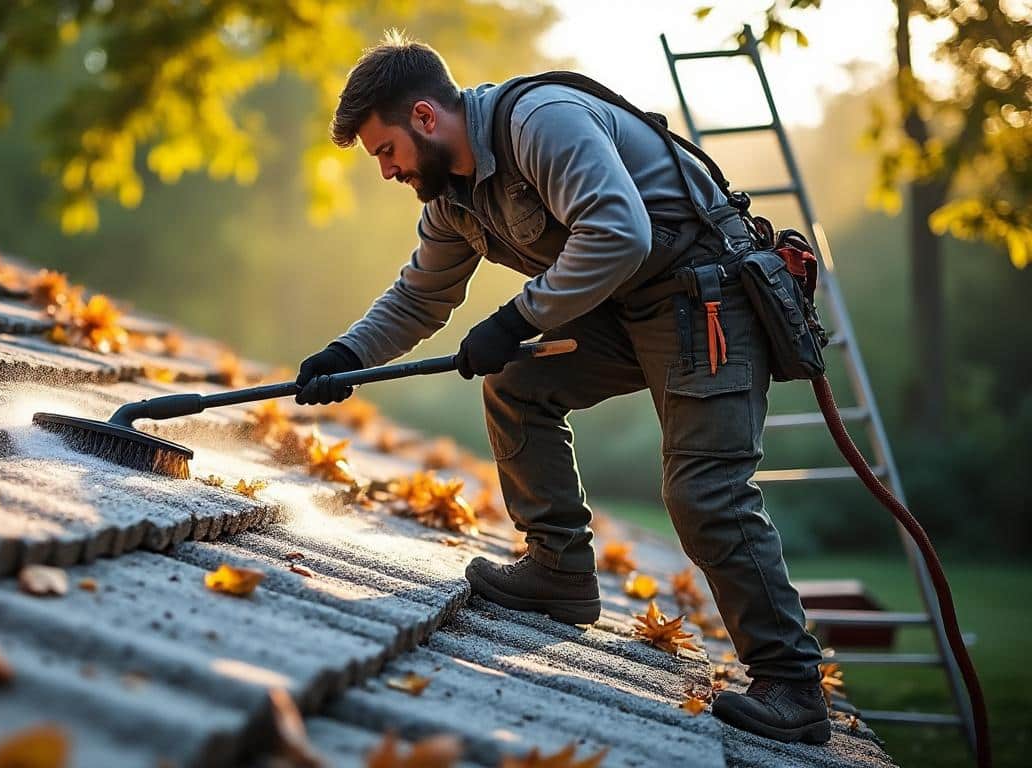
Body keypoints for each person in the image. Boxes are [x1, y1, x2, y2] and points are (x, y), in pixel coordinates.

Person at [294, 32, 832, 745]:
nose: (387, 170)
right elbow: (420, 299)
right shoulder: (452, 199)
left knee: (704, 492)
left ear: (424, 117)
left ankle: (792, 685)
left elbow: (618, 231)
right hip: (627, 306)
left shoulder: (540, 122)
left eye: (385, 151)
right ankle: (559, 570)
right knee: (516, 381)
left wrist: (516, 316)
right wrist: (347, 353)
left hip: (708, 298)